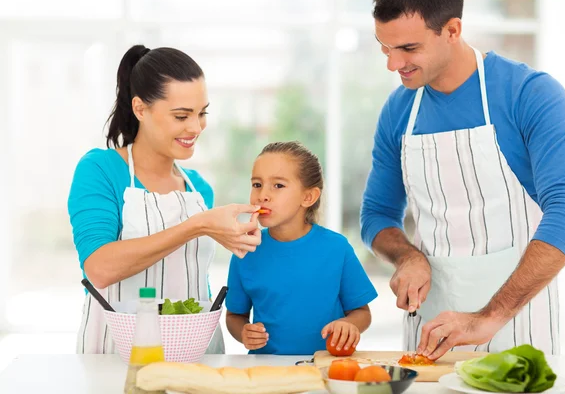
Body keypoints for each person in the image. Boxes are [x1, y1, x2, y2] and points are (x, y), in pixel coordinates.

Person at [360, 0, 565, 360]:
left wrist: (490, 316)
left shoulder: (529, 94)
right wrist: (407, 257)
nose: (393, 64)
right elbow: (376, 214)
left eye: (408, 48)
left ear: (452, 30)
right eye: (384, 48)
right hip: (428, 335)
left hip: (516, 328)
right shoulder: (399, 111)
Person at [68, 44, 262, 354]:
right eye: (181, 115)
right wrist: (197, 226)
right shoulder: (100, 170)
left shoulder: (198, 189)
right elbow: (99, 268)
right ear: (140, 109)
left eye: (202, 113)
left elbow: (193, 283)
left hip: (196, 351)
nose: (195, 127)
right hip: (118, 355)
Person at [226, 141, 378, 355]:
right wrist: (244, 332)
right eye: (257, 184)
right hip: (266, 370)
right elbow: (234, 316)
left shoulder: (336, 248)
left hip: (326, 366)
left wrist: (350, 325)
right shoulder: (246, 250)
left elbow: (362, 312)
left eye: (278, 185)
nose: (263, 195)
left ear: (308, 197)